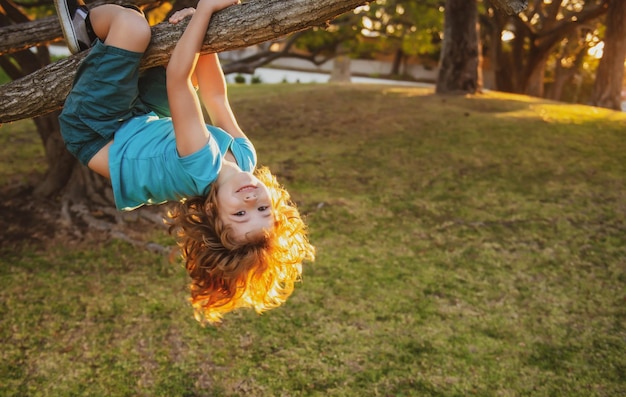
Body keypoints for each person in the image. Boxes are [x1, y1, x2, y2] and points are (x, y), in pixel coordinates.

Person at [54, 0, 315, 324]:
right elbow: (216, 97)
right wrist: (200, 31)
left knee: (134, 27)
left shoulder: (201, 165)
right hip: (144, 119)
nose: (252, 199)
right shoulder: (245, 157)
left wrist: (205, 12)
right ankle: (124, 41)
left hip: (96, 130)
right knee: (173, 39)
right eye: (263, 210)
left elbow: (179, 80)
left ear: (212, 210)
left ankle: (86, 27)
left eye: (240, 213)